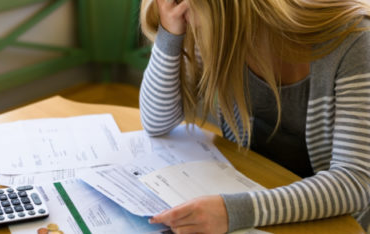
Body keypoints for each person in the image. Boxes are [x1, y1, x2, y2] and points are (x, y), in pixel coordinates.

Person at [139, 0, 370, 233]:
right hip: (251, 195)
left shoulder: (355, 38)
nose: (180, 14)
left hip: (326, 218)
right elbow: (156, 121)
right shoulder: (221, 31)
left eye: (181, 5)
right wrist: (170, 33)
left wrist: (233, 211)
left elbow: (355, 181)